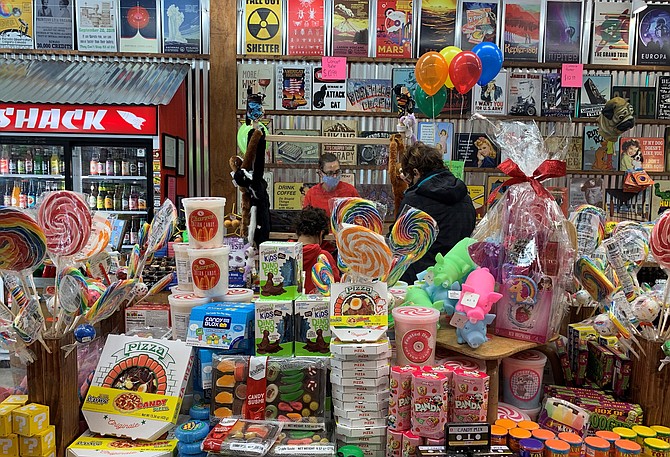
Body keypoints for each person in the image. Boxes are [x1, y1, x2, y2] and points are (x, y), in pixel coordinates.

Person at [394, 142, 476, 283]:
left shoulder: (415, 198)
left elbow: (399, 242)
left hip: (418, 280)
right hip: (455, 276)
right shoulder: (464, 196)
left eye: (408, 178)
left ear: (416, 172)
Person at [295, 206, 341, 294]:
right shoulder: (324, 256)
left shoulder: (284, 254)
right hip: (319, 307)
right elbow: (336, 287)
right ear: (321, 233)